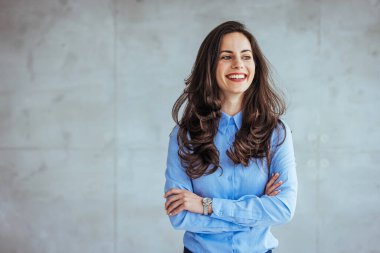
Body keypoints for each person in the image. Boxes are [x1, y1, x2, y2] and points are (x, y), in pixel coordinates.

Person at [163, 21, 297, 253]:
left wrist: (205, 205)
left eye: (246, 56)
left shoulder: (275, 132)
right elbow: (181, 217)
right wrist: (255, 210)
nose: (238, 64)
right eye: (226, 56)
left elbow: (283, 209)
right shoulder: (184, 136)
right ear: (210, 65)